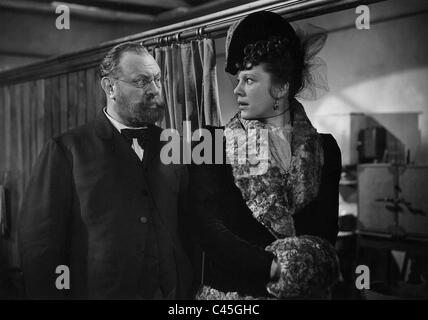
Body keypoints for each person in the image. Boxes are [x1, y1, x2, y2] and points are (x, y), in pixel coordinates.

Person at [18, 42, 193, 299]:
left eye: (157, 79)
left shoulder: (174, 144)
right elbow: (40, 249)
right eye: (142, 81)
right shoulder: (66, 150)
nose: (155, 90)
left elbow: (188, 226)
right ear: (110, 87)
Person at [187, 11, 342, 299]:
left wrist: (297, 268)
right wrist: (269, 267)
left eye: (249, 80)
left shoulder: (326, 148)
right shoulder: (208, 141)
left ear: (281, 86)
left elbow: (326, 234)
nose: (237, 90)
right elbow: (205, 228)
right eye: (237, 79)